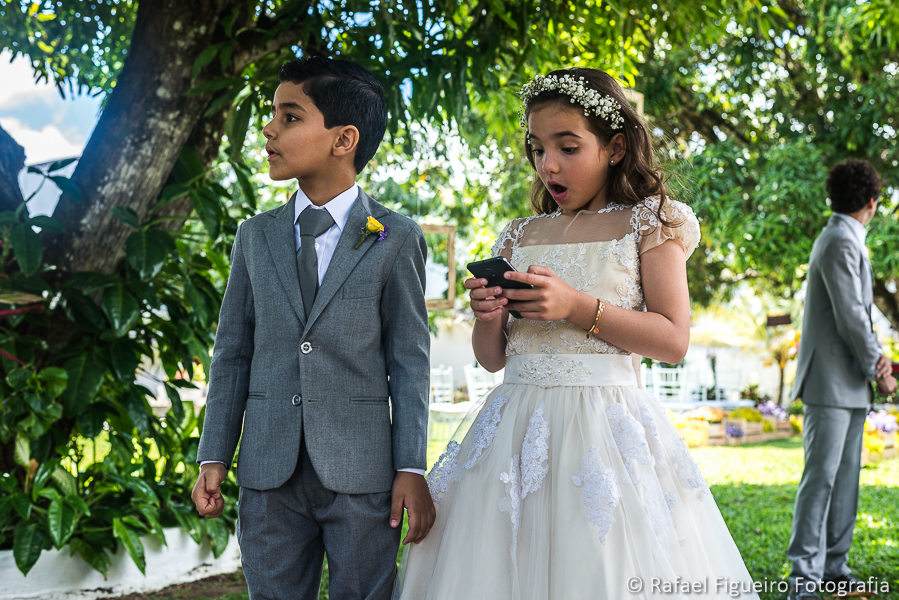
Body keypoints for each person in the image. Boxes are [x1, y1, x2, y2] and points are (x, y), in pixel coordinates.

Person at [393, 68, 759, 599]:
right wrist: (490, 315)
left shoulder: (651, 221)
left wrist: (575, 306)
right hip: (513, 430)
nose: (548, 165)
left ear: (614, 147)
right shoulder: (521, 233)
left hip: (603, 428)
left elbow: (673, 340)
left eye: (567, 147)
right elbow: (494, 360)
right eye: (537, 149)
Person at [190, 56, 435, 600]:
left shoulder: (394, 237)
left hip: (363, 475)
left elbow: (409, 361)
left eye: (290, 117)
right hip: (267, 474)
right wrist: (215, 454)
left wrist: (410, 467)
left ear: (343, 139)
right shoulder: (255, 237)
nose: (269, 129)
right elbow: (232, 352)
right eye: (272, 115)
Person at [786, 159, 896, 600]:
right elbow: (853, 316)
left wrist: (876, 363)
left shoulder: (845, 239)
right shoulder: (838, 241)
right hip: (831, 383)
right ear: (871, 203)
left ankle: (834, 566)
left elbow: (855, 317)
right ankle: (803, 580)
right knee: (821, 480)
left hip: (847, 384)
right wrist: (879, 369)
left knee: (846, 477)